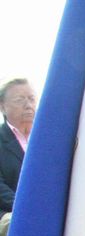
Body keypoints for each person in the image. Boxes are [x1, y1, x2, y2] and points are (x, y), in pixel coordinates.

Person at [0, 78, 36, 215]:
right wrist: (27, 207)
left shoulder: (49, 139)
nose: (28, 105)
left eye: (32, 99)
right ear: (2, 106)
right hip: (11, 213)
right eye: (19, 100)